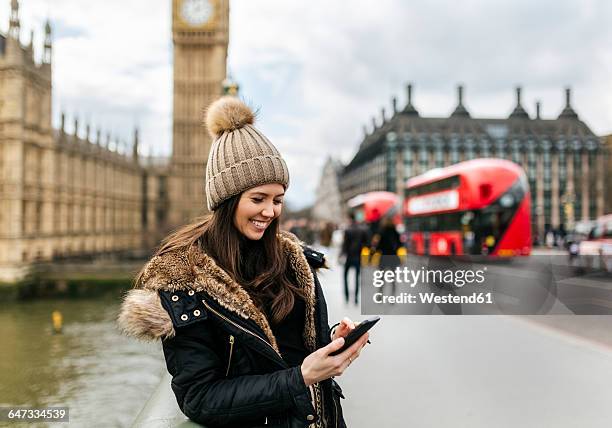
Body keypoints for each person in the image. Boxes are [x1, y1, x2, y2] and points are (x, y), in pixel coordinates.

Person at [118, 97, 369, 428]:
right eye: (258, 199)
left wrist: (334, 339)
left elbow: (287, 350)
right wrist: (301, 377)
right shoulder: (185, 279)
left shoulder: (291, 259)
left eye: (278, 200)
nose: (270, 211)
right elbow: (199, 397)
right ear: (226, 199)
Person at [340, 213, 370, 305]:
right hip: (358, 256)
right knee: (357, 277)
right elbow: (367, 243)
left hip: (349, 256)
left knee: (345, 277)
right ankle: (356, 298)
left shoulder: (347, 230)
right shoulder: (362, 230)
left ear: (349, 219)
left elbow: (344, 245)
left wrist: (341, 254)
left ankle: (347, 297)